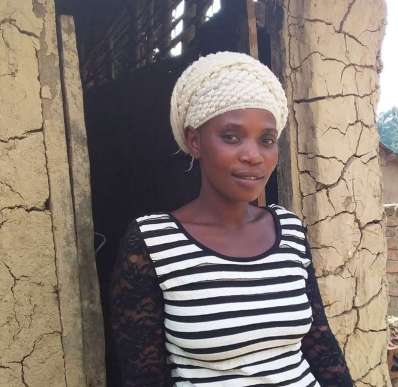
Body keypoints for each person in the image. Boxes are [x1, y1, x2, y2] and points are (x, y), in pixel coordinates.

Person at [110, 51, 353, 387]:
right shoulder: (153, 244)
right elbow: (144, 377)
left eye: (266, 140)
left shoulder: (290, 230)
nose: (253, 156)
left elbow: (320, 346)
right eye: (232, 136)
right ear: (195, 141)